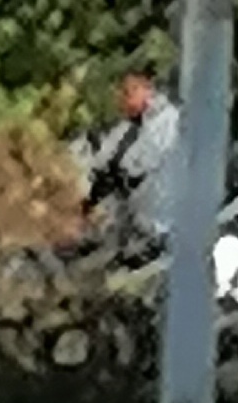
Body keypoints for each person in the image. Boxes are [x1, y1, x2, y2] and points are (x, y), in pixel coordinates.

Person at [77, 59, 181, 256]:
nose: (122, 100)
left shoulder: (165, 122)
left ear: (147, 89)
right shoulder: (131, 127)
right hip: (133, 222)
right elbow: (105, 161)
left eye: (128, 93)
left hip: (156, 229)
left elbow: (135, 169)